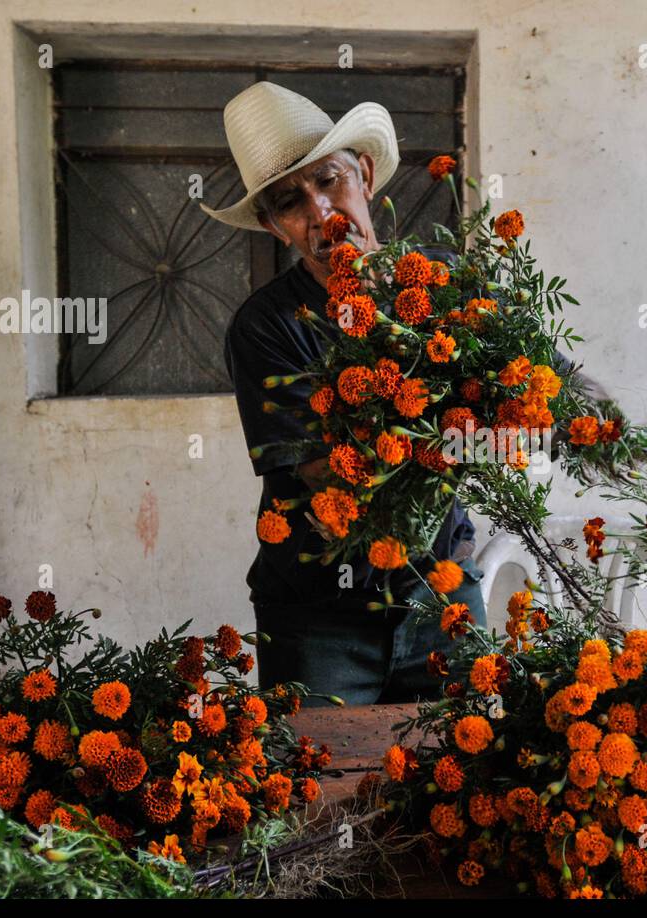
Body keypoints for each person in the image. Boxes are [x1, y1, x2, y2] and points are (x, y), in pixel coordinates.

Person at [201, 82, 487, 706]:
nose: (321, 213)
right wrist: (452, 429)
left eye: (329, 180)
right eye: (291, 202)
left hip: (444, 595)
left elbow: (525, 392)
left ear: (363, 174)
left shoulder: (446, 282)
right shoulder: (266, 327)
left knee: (473, 780)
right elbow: (322, 476)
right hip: (320, 617)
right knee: (320, 792)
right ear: (277, 227)